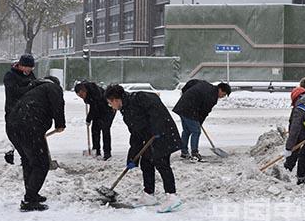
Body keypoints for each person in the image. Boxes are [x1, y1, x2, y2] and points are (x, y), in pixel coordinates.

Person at [105, 84, 182, 213]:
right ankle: (149, 195)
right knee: (146, 163)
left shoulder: (139, 98)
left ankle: (172, 197)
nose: (111, 106)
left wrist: (157, 128)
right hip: (150, 137)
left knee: (161, 163)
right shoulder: (126, 110)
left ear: (115, 100)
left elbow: (155, 105)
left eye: (109, 103)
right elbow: (136, 134)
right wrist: (132, 158)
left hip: (163, 134)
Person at [6, 76, 65, 211]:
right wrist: (60, 123)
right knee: (41, 163)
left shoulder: (32, 89)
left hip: (13, 127)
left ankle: (31, 194)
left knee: (28, 161)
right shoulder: (52, 87)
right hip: (30, 127)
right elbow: (58, 103)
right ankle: (30, 200)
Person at [172, 80, 231, 161]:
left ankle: (184, 152)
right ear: (220, 89)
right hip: (189, 109)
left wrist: (184, 92)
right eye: (223, 94)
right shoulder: (212, 97)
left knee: (187, 131)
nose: (222, 97)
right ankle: (194, 153)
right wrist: (199, 122)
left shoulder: (206, 84)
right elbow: (204, 112)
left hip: (182, 106)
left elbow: (192, 82)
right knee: (196, 131)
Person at [2, 54, 41, 165]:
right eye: (28, 68)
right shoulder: (10, 75)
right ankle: (11, 154)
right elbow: (15, 91)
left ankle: (26, 159)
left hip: (28, 110)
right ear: (21, 65)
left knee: (27, 136)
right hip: (13, 110)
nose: (30, 70)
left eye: (31, 68)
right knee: (15, 135)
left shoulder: (30, 75)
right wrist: (30, 86)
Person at [74, 81, 116, 161]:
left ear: (84, 91)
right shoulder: (87, 92)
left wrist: (88, 119)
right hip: (98, 110)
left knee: (105, 129)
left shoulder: (95, 92)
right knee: (95, 130)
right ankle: (96, 151)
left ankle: (107, 153)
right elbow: (94, 107)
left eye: (81, 95)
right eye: (79, 96)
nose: (81, 97)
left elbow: (94, 107)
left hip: (108, 109)